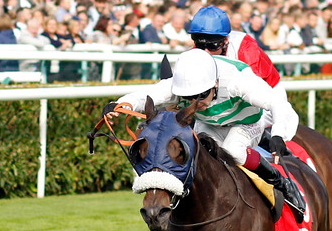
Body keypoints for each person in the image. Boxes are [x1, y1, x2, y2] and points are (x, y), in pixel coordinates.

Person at [103, 49, 307, 220]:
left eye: (201, 95)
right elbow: (145, 96)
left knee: (232, 151)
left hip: (247, 122)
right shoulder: (179, 84)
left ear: (215, 84)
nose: (195, 102)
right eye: (188, 97)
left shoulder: (237, 80)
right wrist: (120, 105)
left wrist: (279, 135)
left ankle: (280, 181)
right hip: (210, 125)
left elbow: (278, 103)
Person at [186, 5, 286, 133]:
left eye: (212, 45)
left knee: (237, 134)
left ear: (225, 40)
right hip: (230, 96)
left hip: (266, 97)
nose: (205, 51)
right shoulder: (195, 52)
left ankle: (267, 142)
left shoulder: (245, 49)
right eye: (200, 44)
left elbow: (252, 93)